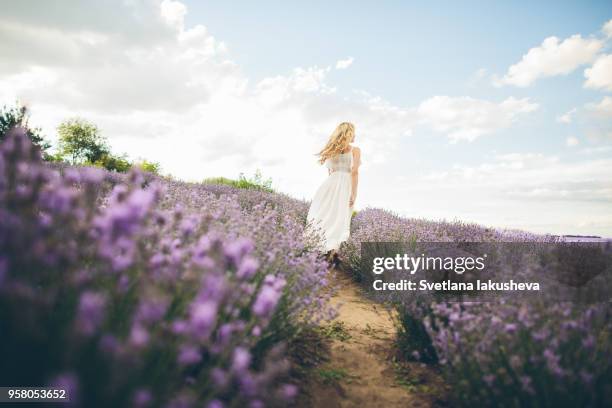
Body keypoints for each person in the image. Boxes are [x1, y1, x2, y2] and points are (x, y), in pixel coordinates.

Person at [306, 122, 361, 264]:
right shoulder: (355, 150)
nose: (355, 135)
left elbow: (330, 172)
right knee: (340, 217)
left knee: (324, 216)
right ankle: (333, 255)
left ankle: (318, 250)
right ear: (348, 133)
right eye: (353, 132)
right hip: (345, 186)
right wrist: (354, 193)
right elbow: (354, 172)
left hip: (329, 185)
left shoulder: (331, 150)